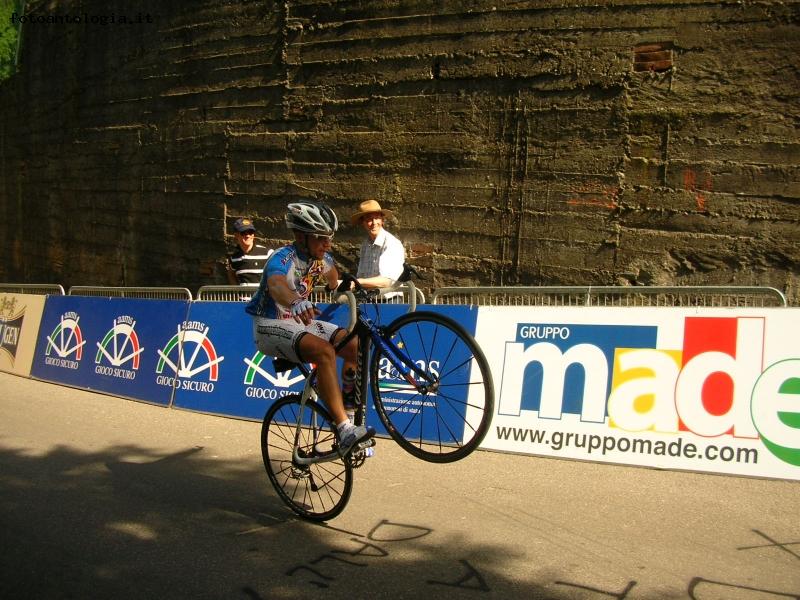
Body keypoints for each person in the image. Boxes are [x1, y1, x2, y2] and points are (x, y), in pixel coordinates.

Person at [245, 201, 374, 455]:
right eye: (320, 238)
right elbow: (276, 284)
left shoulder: (322, 259)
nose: (328, 245)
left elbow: (334, 279)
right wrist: (295, 301)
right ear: (301, 237)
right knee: (325, 351)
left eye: (329, 238)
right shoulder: (282, 258)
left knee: (354, 345)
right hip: (270, 324)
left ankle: (348, 418)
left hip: (299, 321)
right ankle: (344, 429)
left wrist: (345, 288)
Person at [350, 199, 406, 296]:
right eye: (369, 219)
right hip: (369, 299)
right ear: (362, 223)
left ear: (382, 220)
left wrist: (357, 282)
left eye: (377, 218)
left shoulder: (391, 243)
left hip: (389, 301)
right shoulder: (365, 245)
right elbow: (361, 275)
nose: (374, 222)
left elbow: (387, 281)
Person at [227, 217, 273, 285]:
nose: (248, 236)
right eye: (243, 233)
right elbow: (231, 276)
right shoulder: (233, 258)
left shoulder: (268, 253)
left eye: (250, 232)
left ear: (253, 235)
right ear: (236, 235)